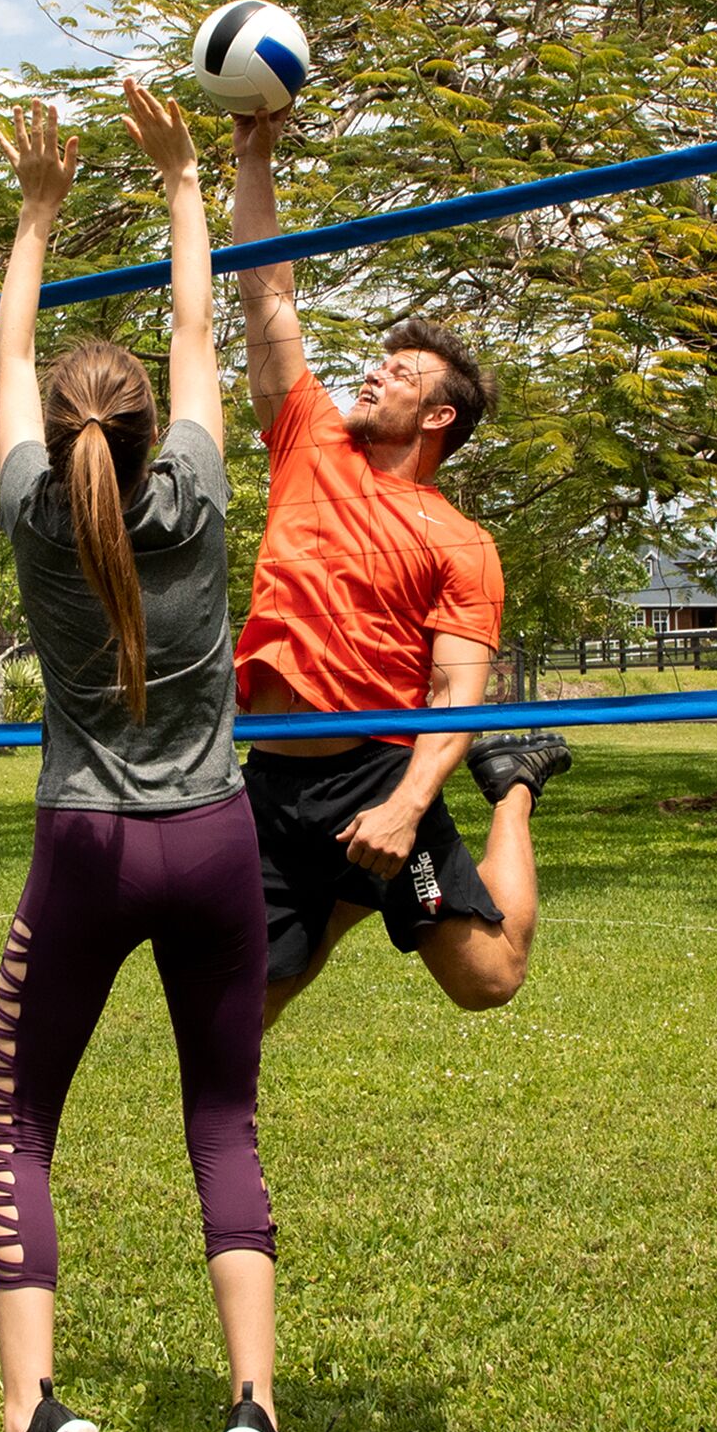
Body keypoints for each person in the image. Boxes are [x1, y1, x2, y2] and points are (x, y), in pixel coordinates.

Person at [0, 84, 303, 1432]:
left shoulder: (35, 509)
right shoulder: (204, 493)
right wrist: (184, 183)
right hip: (218, 841)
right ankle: (256, 1408)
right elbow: (193, 336)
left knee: (19, 1127)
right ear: (148, 427)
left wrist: (36, 214)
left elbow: (7, 354)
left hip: (87, 849)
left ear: (54, 431)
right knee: (221, 1123)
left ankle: (28, 1419)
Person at [228, 105, 572, 1029]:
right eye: (378, 364)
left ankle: (518, 787)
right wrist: (252, 151)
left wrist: (411, 805)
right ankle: (344, 897)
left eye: (403, 373)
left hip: (377, 779)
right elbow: (267, 295)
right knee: (239, 1016)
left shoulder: (464, 543)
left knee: (488, 980)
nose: (374, 376)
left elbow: (456, 695)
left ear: (439, 419)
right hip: (269, 777)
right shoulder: (307, 439)